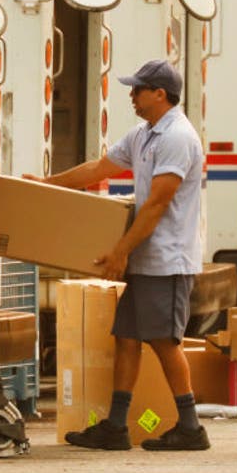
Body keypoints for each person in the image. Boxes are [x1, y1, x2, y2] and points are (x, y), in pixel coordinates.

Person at [30, 59, 209, 451]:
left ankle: (191, 427)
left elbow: (157, 204)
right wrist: (47, 184)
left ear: (160, 94)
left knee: (164, 341)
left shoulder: (178, 137)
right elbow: (99, 167)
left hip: (168, 259)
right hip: (146, 257)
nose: (131, 95)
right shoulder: (144, 135)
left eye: (138, 89)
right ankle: (115, 426)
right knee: (127, 338)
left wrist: (120, 252)